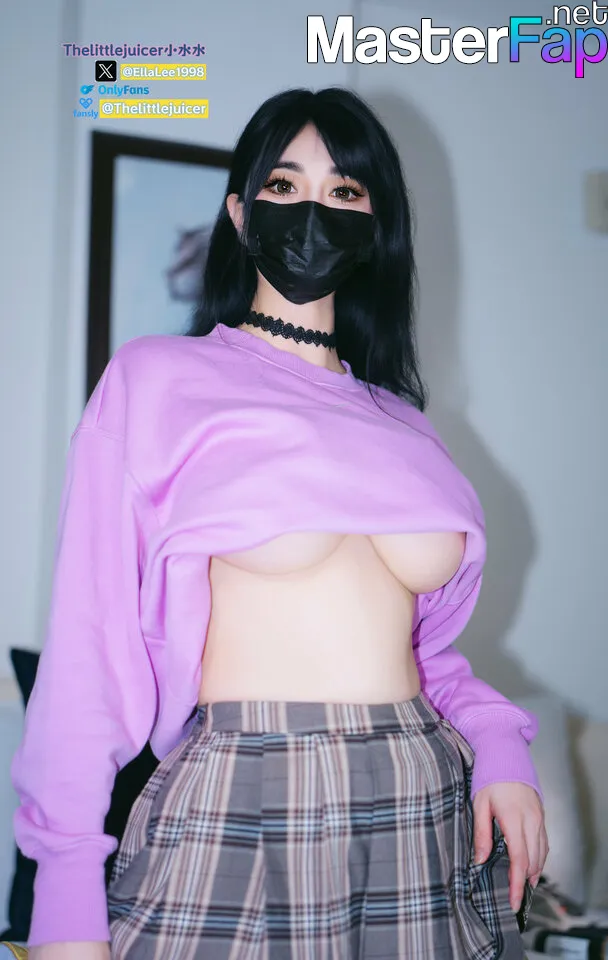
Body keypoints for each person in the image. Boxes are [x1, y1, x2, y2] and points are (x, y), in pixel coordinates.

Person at [12, 87, 548, 959]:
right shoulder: (157, 381)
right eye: (285, 185)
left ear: (376, 223)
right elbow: (89, 650)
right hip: (246, 791)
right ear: (239, 211)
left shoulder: (407, 425)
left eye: (344, 191)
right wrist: (63, 899)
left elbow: (426, 652)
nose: (312, 211)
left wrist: (499, 742)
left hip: (421, 801)